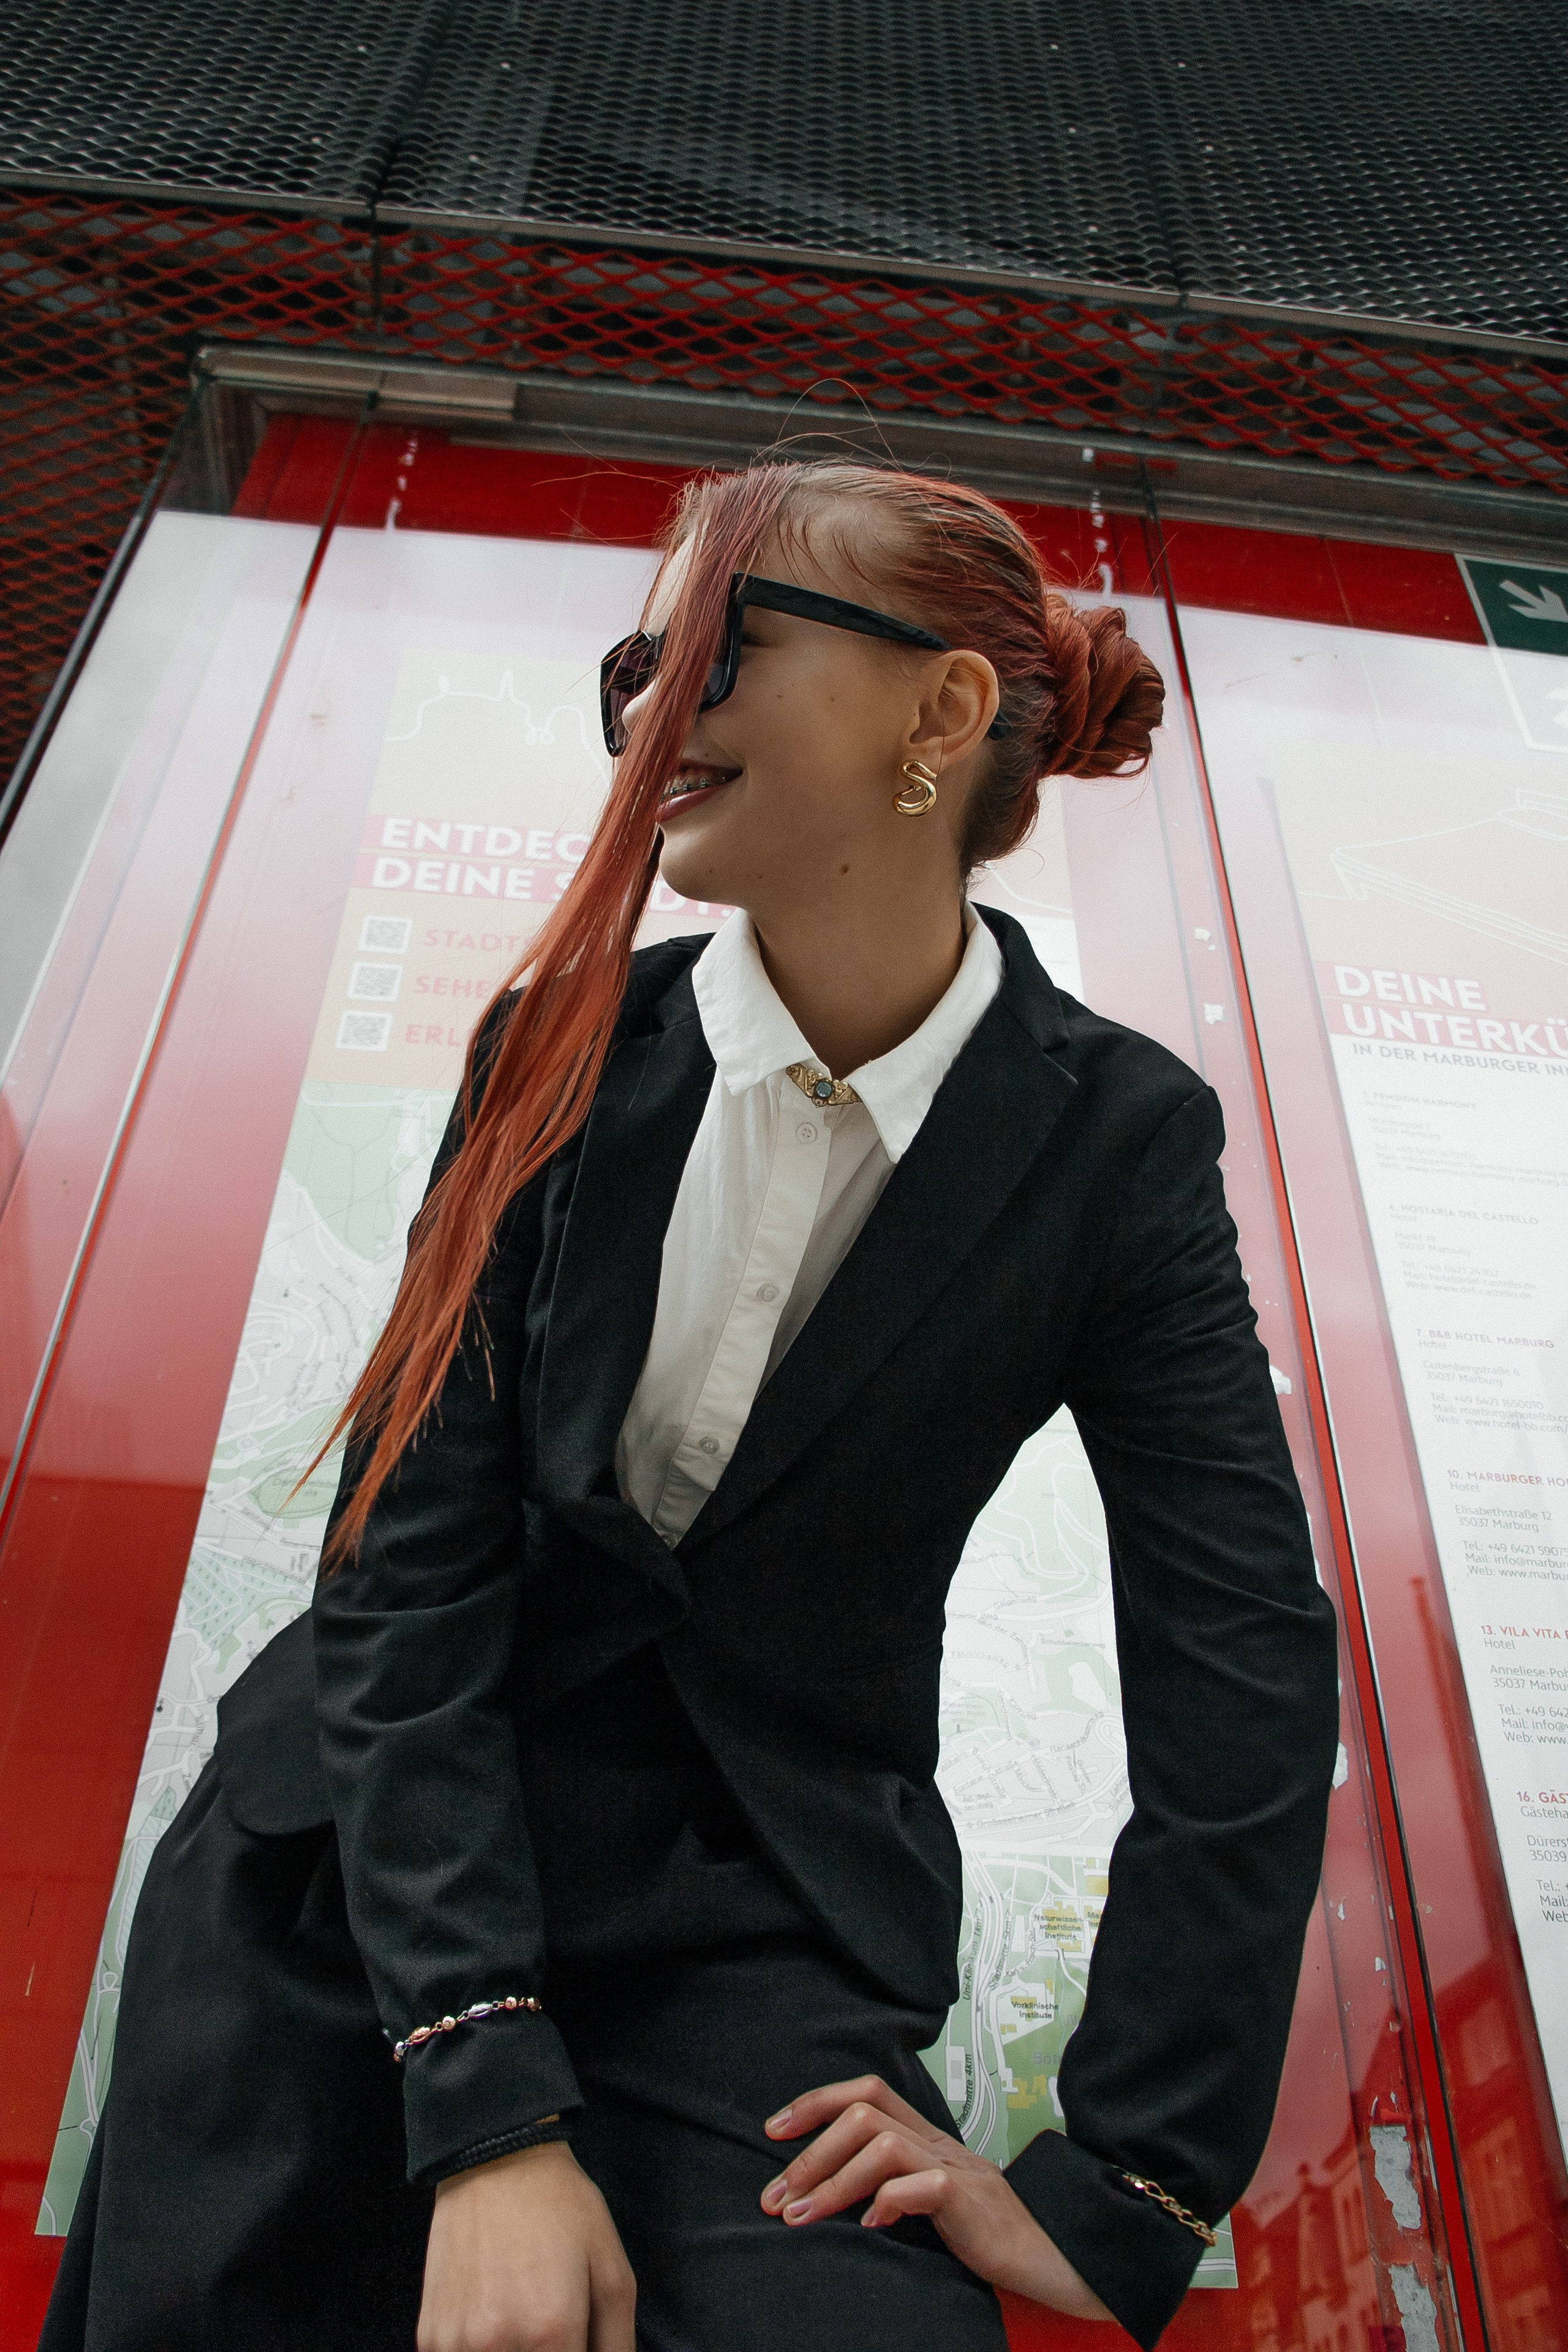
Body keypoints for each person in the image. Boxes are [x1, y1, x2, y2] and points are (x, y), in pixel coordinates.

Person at [42, 459, 1340, 2352]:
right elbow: (405, 1568)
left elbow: (1241, 1653)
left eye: (718, 649)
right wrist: (487, 2102)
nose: (655, 708)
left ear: (940, 712)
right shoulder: (555, 1048)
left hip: (754, 1921)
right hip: (374, 1883)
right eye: (632, 668)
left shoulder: (1117, 1143)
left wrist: (1130, 2179)